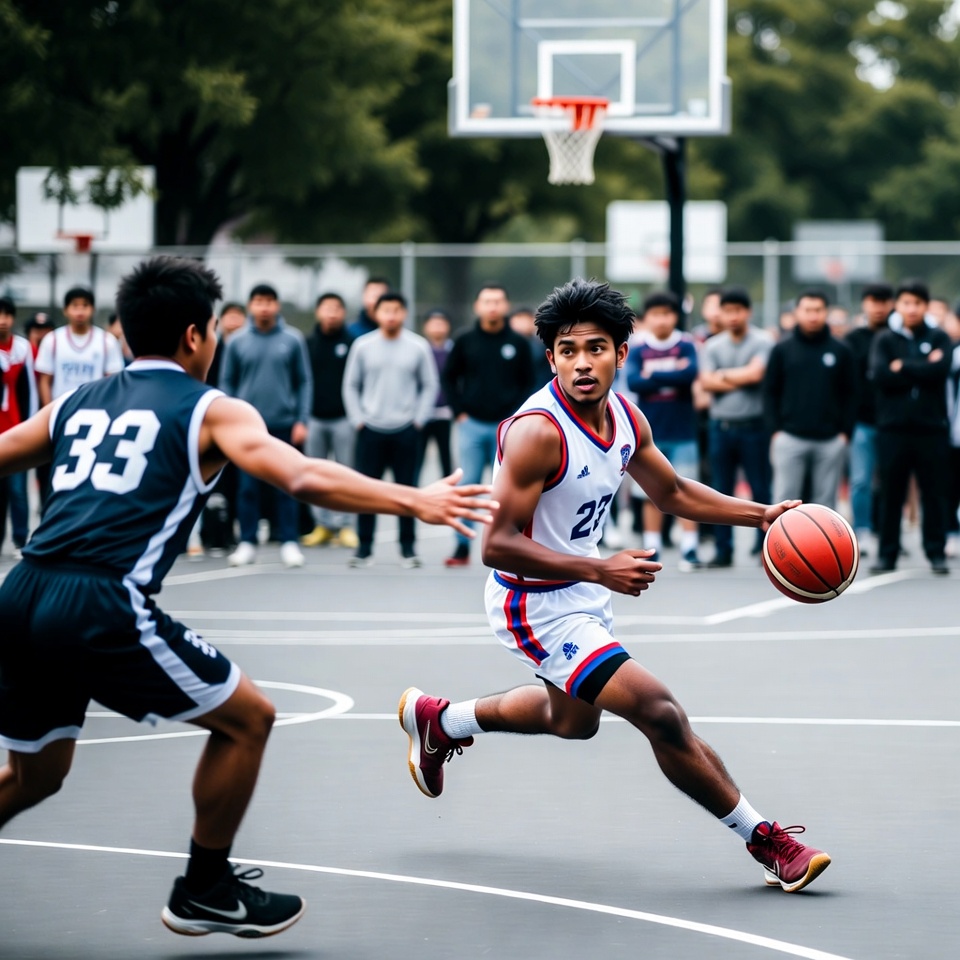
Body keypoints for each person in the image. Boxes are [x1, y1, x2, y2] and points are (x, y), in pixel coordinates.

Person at [0, 256, 494, 939]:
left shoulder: (74, 403)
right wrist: (415, 498)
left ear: (122, 335)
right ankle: (205, 887)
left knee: (34, 778)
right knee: (248, 719)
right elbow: (303, 475)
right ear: (199, 336)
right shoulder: (210, 408)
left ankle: (207, 885)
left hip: (20, 592)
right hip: (99, 598)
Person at [398, 278, 831, 895]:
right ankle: (768, 843)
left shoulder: (626, 416)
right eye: (567, 350)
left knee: (573, 722)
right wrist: (601, 569)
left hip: (578, 591)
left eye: (596, 348)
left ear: (622, 353)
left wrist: (760, 514)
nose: (582, 362)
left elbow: (674, 493)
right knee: (659, 712)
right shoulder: (537, 432)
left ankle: (441, 721)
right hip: (532, 601)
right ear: (550, 357)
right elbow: (495, 546)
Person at [442, 284, 535, 566]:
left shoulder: (518, 343)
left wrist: (516, 418)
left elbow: (528, 383)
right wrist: (459, 412)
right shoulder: (464, 340)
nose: (492, 306)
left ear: (505, 306)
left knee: (509, 488)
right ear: (477, 306)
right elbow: (448, 378)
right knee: (468, 485)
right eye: (487, 301)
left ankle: (511, 546)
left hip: (507, 428)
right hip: (471, 424)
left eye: (497, 301)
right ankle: (461, 547)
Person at [342, 291, 437, 568]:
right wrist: (358, 419)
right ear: (376, 313)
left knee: (407, 492)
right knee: (365, 492)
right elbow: (351, 385)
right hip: (370, 429)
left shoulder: (418, 346)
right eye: (386, 310)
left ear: (404, 313)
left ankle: (408, 550)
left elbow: (429, 385)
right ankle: (363, 549)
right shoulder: (362, 345)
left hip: (406, 430)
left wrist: (418, 420)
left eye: (397, 310)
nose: (391, 315)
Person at [220, 284, 311, 569]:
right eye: (258, 301)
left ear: (277, 305)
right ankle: (247, 542)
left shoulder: (293, 339)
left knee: (287, 485)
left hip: (284, 424)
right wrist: (229, 419)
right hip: (247, 428)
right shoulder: (237, 341)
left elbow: (303, 381)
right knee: (247, 488)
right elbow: (227, 382)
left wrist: (302, 419)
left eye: (269, 301)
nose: (264, 307)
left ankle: (289, 542)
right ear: (250, 305)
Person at [869, 280, 953, 574]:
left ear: (925, 306)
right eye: (906, 303)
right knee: (891, 493)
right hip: (893, 429)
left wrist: (902, 366)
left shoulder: (940, 337)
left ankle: (936, 553)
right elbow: (880, 376)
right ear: (898, 305)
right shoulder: (884, 340)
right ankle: (887, 554)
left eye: (917, 303)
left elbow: (938, 372)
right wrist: (920, 366)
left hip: (931, 429)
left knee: (934, 494)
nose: (912, 309)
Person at [625, 291, 703, 570]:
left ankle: (690, 549)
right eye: (656, 314)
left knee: (688, 489)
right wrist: (671, 374)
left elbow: (690, 374)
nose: (662, 320)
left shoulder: (686, 344)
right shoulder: (638, 348)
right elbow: (634, 382)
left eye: (667, 314)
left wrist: (652, 375)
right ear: (647, 318)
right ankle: (652, 545)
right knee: (648, 494)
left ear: (675, 316)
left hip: (683, 431)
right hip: (649, 434)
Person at [698, 288, 774, 566]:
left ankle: (766, 548)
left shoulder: (763, 341)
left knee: (760, 489)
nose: (732, 316)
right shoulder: (713, 345)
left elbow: (757, 374)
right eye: (727, 310)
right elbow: (705, 382)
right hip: (721, 427)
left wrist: (722, 376)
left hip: (754, 427)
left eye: (737, 311)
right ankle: (723, 550)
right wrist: (741, 375)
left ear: (747, 312)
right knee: (720, 491)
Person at [762, 290, 857, 510]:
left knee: (825, 505)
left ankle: (825, 547)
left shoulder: (841, 350)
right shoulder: (782, 349)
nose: (813, 316)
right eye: (807, 310)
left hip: (831, 440)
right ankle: (779, 546)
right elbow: (770, 392)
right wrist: (776, 431)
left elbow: (851, 394)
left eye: (818, 310)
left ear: (826, 312)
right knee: (784, 502)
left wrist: (844, 433)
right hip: (789, 437)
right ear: (797, 312)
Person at [301, 293, 358, 549]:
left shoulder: (353, 342)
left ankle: (346, 526)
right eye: (327, 308)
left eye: (337, 308)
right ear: (318, 311)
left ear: (344, 312)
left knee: (348, 474)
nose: (332, 313)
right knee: (315, 476)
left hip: (345, 419)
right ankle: (322, 525)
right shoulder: (307, 343)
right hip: (313, 419)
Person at [844, 282, 893, 548]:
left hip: (892, 422)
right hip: (861, 422)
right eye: (873, 301)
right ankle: (862, 530)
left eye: (883, 301)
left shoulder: (898, 338)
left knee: (889, 481)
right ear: (865, 304)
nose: (878, 307)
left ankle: (887, 531)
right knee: (860, 480)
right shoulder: (852, 340)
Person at [34, 286, 125, 406]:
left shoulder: (107, 341)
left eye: (85, 306)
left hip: (95, 409)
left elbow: (113, 382)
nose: (80, 311)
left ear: (93, 309)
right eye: (75, 306)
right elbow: (45, 381)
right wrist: (50, 413)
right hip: (61, 409)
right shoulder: (52, 340)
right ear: (65, 310)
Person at [0, 297, 37, 560]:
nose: (3, 319)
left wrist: (31, 425)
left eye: (7, 314)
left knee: (17, 490)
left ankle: (21, 540)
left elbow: (31, 391)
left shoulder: (23, 349)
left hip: (16, 428)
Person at [416, 309, 455, 480]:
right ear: (425, 327)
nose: (438, 327)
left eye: (441, 323)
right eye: (433, 323)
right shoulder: (418, 349)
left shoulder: (453, 350)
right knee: (417, 457)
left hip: (445, 411)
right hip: (420, 413)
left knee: (446, 457)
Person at [509, 306, 553, 386]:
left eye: (526, 319)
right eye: (519, 319)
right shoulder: (507, 346)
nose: (522, 324)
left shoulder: (543, 346)